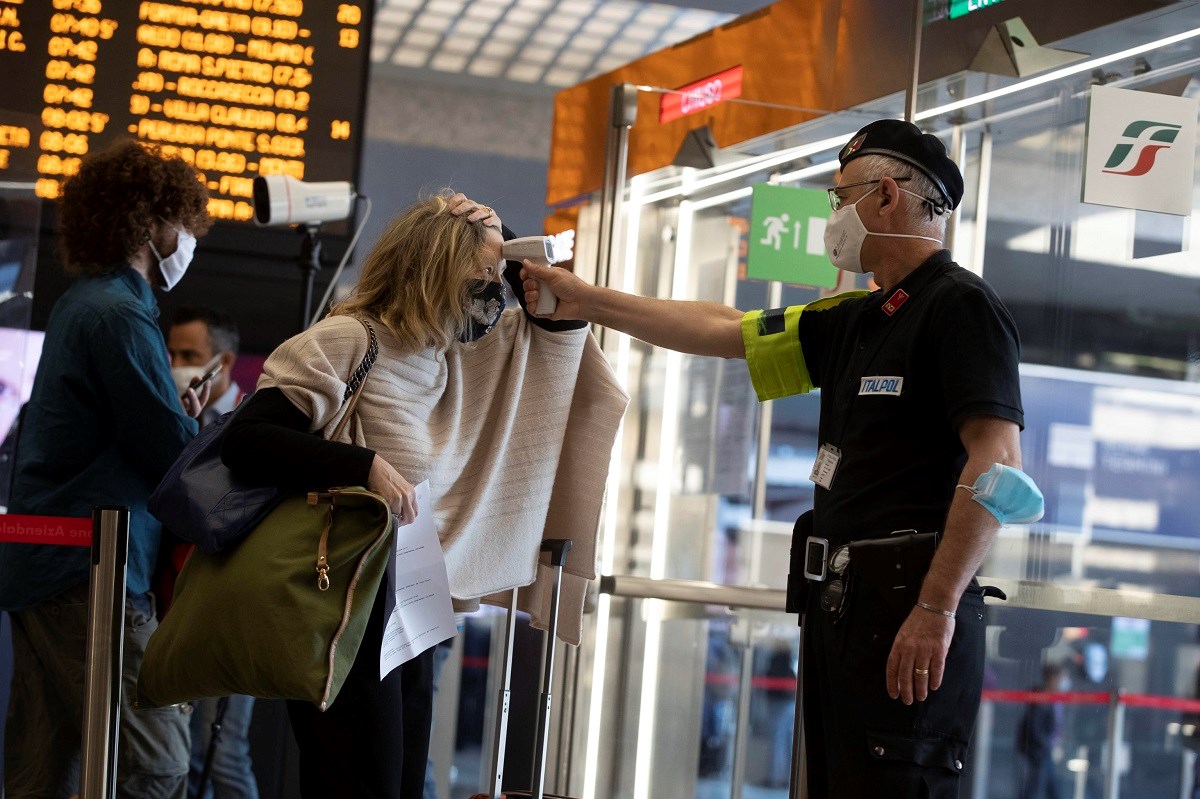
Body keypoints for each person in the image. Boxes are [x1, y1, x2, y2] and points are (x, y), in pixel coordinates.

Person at [521, 119, 1028, 798]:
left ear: (885, 197)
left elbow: (998, 466)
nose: (831, 216)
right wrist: (586, 300)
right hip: (845, 610)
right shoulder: (860, 318)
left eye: (836, 197)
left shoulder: (961, 308)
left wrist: (936, 607)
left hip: (911, 611)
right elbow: (721, 329)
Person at [219, 190, 623, 797]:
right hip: (349, 590)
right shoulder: (349, 339)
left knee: (405, 778)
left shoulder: (444, 354)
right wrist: (365, 466)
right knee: (359, 779)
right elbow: (246, 440)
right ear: (434, 267)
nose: (494, 289)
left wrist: (498, 231)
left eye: (497, 274)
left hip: (412, 586)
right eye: (480, 274)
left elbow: (555, 322)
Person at [0, 140, 212, 797]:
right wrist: (194, 427)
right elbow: (167, 448)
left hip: (42, 568)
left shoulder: (82, 301)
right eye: (179, 220)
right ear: (150, 221)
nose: (185, 238)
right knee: (158, 763)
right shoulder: (121, 315)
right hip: (92, 572)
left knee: (45, 768)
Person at [167, 306, 258, 799]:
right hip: (175, 605)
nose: (177, 362)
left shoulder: (253, 424)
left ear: (221, 362)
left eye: (190, 355)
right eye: (172, 352)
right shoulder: (172, 416)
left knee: (222, 751)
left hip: (231, 613)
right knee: (182, 754)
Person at [1015, 661, 1069, 799]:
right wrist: (1048, 744)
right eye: (1062, 677)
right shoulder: (1040, 699)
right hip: (1039, 751)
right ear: (1052, 678)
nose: (1064, 682)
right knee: (1036, 786)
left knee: (1048, 785)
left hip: (1046, 750)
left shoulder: (1055, 699)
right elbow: (1035, 729)